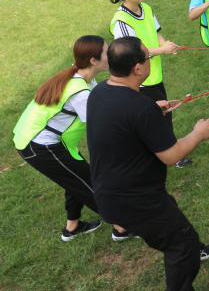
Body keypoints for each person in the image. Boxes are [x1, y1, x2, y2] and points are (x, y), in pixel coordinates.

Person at [87, 37, 209, 291]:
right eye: (148, 57)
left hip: (109, 193)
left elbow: (122, 117)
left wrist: (152, 109)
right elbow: (172, 156)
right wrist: (198, 133)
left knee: (172, 220)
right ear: (137, 68)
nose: (150, 60)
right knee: (183, 245)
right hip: (134, 200)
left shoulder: (100, 92)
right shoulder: (140, 108)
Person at [12, 36, 132, 242]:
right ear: (93, 60)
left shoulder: (82, 77)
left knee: (74, 178)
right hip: (39, 146)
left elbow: (106, 107)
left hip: (45, 141)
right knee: (89, 183)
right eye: (107, 52)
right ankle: (122, 227)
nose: (111, 55)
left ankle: (72, 227)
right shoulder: (80, 92)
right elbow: (102, 125)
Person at [108, 0, 191, 168]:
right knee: (155, 119)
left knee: (164, 114)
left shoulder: (146, 8)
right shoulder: (121, 21)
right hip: (139, 80)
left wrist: (166, 44)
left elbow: (156, 33)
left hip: (154, 74)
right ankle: (170, 156)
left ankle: (169, 153)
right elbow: (132, 54)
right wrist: (162, 50)